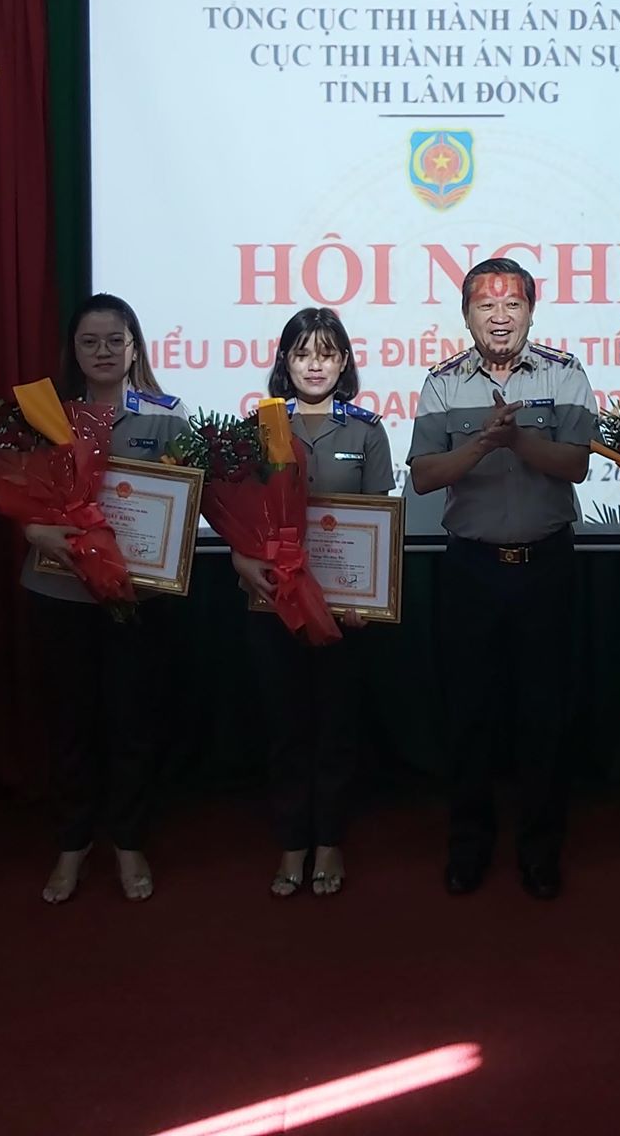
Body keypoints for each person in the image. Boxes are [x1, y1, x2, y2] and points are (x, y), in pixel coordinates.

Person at [408, 258, 594, 901]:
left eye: (512, 305)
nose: (500, 317)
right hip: (471, 571)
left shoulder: (565, 374)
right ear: (467, 316)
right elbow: (424, 475)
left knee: (545, 715)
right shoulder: (441, 384)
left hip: (546, 567)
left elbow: (576, 464)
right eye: (485, 307)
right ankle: (469, 846)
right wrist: (484, 444)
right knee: (469, 716)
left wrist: (517, 442)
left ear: (531, 312)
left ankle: (540, 850)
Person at [21, 293, 191, 906]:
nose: (102, 352)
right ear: (73, 350)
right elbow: (21, 493)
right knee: (70, 722)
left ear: (134, 348)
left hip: (136, 595)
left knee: (131, 721)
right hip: (61, 590)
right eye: (89, 342)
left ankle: (128, 839)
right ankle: (72, 842)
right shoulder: (45, 416)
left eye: (114, 341)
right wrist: (32, 530)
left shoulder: (167, 418)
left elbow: (187, 502)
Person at [233, 308, 394, 898]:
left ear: (344, 362)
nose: (315, 365)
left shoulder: (367, 431)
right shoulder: (259, 428)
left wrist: (367, 597)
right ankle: (292, 842)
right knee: (286, 729)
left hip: (343, 610)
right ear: (286, 362)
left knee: (336, 728)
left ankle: (329, 841)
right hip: (273, 603)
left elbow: (378, 523)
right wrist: (239, 559)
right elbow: (239, 516)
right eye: (303, 354)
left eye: (326, 353)